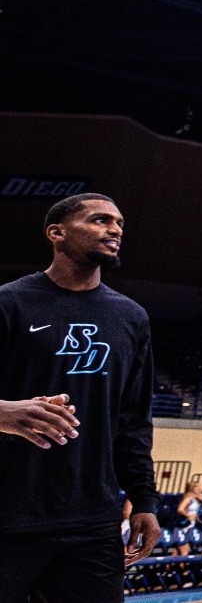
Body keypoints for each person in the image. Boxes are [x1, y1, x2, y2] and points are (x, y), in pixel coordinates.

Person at [0, 193, 160, 602]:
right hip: (8, 515)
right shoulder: (10, 303)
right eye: (100, 220)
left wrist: (144, 499)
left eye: (120, 223)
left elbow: (134, 419)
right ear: (56, 233)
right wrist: (4, 412)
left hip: (92, 521)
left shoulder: (131, 317)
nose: (115, 230)